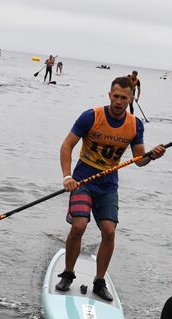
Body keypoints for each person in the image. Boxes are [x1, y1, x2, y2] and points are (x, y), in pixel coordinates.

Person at [56, 76, 166, 301]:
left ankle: (99, 281)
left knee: (109, 231)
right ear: (109, 95)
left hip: (108, 186)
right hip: (82, 182)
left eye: (123, 98)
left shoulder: (134, 125)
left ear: (130, 99)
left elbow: (138, 160)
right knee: (79, 225)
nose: (118, 101)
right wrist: (67, 176)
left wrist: (151, 156)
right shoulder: (91, 116)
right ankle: (68, 274)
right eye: (115, 96)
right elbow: (67, 146)